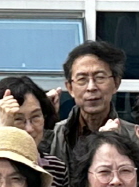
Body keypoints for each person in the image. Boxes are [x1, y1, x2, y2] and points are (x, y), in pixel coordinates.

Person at [48, 40, 124, 171]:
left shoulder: (135, 137)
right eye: (82, 79)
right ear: (70, 88)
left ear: (116, 83)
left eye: (100, 77)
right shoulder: (55, 134)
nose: (91, 87)